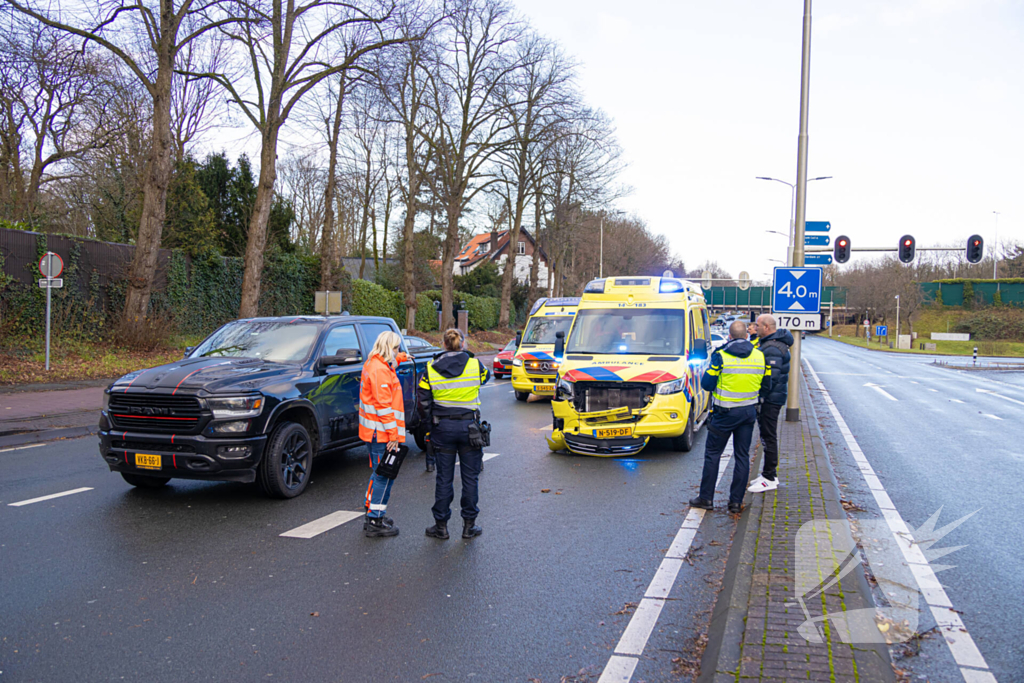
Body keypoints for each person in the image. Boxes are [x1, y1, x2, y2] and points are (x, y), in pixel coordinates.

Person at [690, 320, 771, 514]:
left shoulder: (721, 356)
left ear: (730, 336)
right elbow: (767, 385)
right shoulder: (760, 356)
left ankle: (706, 498)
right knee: (742, 456)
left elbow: (708, 384)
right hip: (748, 413)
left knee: (713, 455)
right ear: (746, 335)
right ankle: (735, 502)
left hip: (724, 414)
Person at [418, 329, 490, 540]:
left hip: (443, 427)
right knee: (470, 478)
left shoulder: (430, 368)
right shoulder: (475, 365)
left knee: (444, 479)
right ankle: (469, 526)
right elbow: (486, 378)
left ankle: (441, 526)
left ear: (443, 344)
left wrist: (430, 424)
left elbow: (422, 401)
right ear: (463, 343)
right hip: (470, 428)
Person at [358, 330, 409, 538]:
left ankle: (372, 511)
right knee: (384, 476)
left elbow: (393, 362)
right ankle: (375, 519)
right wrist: (394, 435)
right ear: (389, 348)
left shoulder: (375, 363)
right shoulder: (380, 371)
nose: (398, 351)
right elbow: (383, 406)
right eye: (396, 348)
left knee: (379, 473)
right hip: (382, 433)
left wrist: (403, 357)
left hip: (373, 431)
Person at [747, 314, 793, 493]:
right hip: (772, 397)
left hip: (771, 399)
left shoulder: (772, 347)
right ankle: (767, 474)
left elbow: (770, 378)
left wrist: (760, 396)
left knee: (768, 435)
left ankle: (770, 477)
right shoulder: (770, 344)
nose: (755, 328)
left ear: (766, 327)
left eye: (757, 326)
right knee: (767, 435)